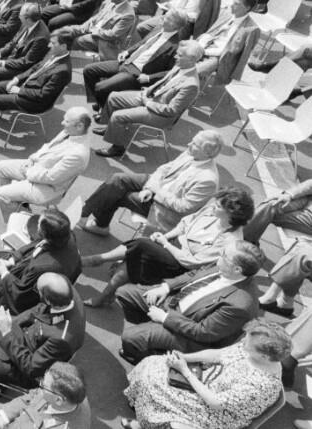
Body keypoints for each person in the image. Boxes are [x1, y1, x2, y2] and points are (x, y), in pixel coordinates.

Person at [83, 187, 254, 308]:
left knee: (141, 245)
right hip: (171, 246)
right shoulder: (210, 211)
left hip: (180, 266)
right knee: (135, 255)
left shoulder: (230, 241)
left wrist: (165, 244)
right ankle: (105, 295)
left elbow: (192, 262)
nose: (213, 205)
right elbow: (185, 223)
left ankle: (98, 260)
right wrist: (167, 237)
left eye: (219, 206)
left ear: (232, 214)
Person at [123, 318, 288, 429]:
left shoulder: (261, 385)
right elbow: (218, 354)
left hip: (214, 415)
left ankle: (146, 423)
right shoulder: (254, 350)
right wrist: (185, 357)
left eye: (247, 343)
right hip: (205, 383)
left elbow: (215, 403)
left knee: (155, 385)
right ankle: (145, 416)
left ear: (265, 356)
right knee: (154, 364)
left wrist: (185, 371)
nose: (243, 342)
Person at [116, 241, 263, 364]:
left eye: (224, 255)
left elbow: (202, 332)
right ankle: (151, 329)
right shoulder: (225, 265)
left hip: (189, 334)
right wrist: (165, 287)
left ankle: (147, 358)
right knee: (124, 293)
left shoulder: (240, 305)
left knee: (130, 337)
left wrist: (165, 318)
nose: (219, 256)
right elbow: (193, 274)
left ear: (237, 269)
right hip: (173, 303)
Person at [0, 273, 86, 394]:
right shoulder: (65, 291)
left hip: (22, 365)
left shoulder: (62, 339)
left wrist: (6, 332)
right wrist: (13, 322)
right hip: (23, 336)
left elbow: (30, 368)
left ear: (48, 300)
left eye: (38, 291)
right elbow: (37, 310)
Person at [0, 211, 82, 331]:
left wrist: (4, 273)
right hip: (27, 265)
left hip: (23, 290)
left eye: (39, 224)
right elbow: (36, 246)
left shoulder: (44, 267)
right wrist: (12, 261)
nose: (36, 225)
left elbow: (20, 296)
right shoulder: (66, 236)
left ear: (44, 233)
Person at [80, 130, 222, 236]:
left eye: (195, 144)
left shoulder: (208, 180)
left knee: (120, 195)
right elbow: (165, 168)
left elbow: (183, 207)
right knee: (118, 179)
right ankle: (85, 214)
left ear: (207, 153)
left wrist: (157, 191)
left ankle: (99, 224)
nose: (189, 144)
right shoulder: (192, 152)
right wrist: (150, 188)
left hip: (164, 208)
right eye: (192, 141)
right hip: (157, 185)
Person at [93, 40, 204, 159]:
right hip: (152, 97)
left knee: (118, 116)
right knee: (113, 97)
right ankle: (110, 129)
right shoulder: (180, 65)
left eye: (180, 55)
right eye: (177, 53)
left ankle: (117, 148)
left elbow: (172, 110)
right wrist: (148, 91)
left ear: (192, 59)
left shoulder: (191, 85)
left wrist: (148, 103)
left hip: (160, 114)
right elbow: (164, 82)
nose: (175, 57)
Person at [0, 32, 73, 147]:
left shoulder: (63, 70)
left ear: (63, 46)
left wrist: (19, 91)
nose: (49, 45)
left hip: (35, 102)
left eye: (53, 43)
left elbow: (43, 95)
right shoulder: (55, 54)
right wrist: (17, 79)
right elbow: (35, 68)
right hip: (27, 87)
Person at [0, 107, 91, 218]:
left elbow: (52, 177)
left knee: (1, 194)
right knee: (1, 166)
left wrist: (28, 172)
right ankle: (19, 205)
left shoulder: (78, 154)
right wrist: (32, 158)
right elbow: (49, 146)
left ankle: (21, 220)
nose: (62, 123)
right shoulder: (71, 132)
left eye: (67, 121)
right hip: (37, 168)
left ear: (79, 126)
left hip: (47, 188)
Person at [82, 10, 186, 112]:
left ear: (174, 25)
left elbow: (170, 72)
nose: (162, 17)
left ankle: (105, 110)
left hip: (137, 73)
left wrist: (149, 78)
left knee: (100, 87)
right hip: (127, 61)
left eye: (166, 17)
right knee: (88, 70)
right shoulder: (159, 27)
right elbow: (143, 43)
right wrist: (127, 52)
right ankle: (101, 103)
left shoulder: (176, 46)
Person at [0, 361, 90, 429]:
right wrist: (3, 418)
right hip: (14, 419)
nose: (40, 386)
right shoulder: (73, 392)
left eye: (43, 386)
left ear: (59, 400)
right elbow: (31, 396)